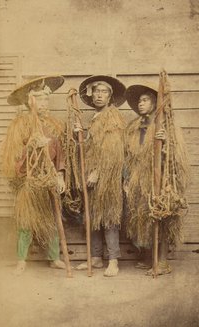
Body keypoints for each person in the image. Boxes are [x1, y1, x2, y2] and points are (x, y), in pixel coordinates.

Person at [0, 76, 67, 275]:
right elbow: (12, 154)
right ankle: (21, 260)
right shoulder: (19, 124)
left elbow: (60, 154)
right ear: (31, 101)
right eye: (40, 99)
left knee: (52, 220)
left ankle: (54, 258)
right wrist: (31, 147)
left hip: (49, 180)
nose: (44, 103)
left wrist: (60, 176)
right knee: (26, 221)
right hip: (28, 180)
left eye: (47, 99)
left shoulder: (54, 125)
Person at [124, 83, 189, 275]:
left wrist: (166, 141)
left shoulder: (167, 126)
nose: (141, 103)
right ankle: (146, 256)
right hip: (138, 178)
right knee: (142, 216)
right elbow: (128, 155)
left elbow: (177, 155)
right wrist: (127, 178)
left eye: (145, 100)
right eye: (139, 100)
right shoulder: (134, 127)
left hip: (160, 178)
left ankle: (161, 261)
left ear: (155, 103)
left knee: (161, 215)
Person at [76, 75, 127, 277]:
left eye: (103, 92)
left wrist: (98, 171)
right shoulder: (95, 118)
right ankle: (96, 258)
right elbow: (91, 148)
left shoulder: (112, 116)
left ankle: (113, 260)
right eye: (96, 91)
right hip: (92, 175)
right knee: (94, 217)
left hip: (107, 176)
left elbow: (112, 149)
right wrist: (79, 135)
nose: (99, 95)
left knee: (108, 217)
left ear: (110, 96)